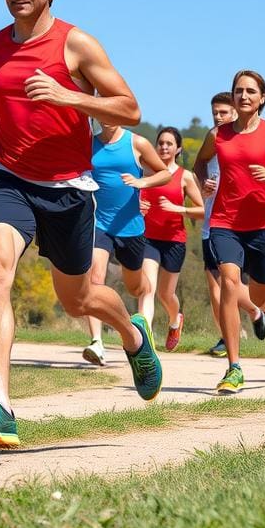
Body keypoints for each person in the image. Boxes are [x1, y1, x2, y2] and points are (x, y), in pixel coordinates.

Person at [0, 0, 163, 449]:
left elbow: (129, 107)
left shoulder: (77, 45)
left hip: (68, 189)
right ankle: (0, 405)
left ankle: (133, 333)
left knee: (77, 301)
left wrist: (68, 95)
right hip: (7, 177)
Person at [193, 70, 265, 393]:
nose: (244, 96)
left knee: (258, 295)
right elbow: (200, 163)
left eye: (250, 91)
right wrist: (204, 181)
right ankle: (234, 368)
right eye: (239, 91)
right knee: (230, 284)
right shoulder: (217, 135)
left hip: (263, 224)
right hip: (225, 222)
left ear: (262, 98)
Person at [82, 121, 171, 366]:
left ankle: (144, 301)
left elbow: (164, 173)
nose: (106, 117)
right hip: (100, 224)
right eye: (101, 111)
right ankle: (97, 342)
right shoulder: (90, 144)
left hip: (131, 228)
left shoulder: (136, 143)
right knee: (94, 278)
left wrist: (143, 182)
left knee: (135, 288)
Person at [199, 92, 265, 356]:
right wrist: (203, 185)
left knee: (250, 289)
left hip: (251, 225)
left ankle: (263, 300)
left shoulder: (251, 140)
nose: (218, 118)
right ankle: (229, 344)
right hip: (215, 224)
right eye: (214, 113)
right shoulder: (213, 140)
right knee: (220, 285)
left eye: (223, 113)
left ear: (235, 112)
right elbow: (199, 167)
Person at [139, 127, 204, 351]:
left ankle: (175, 320)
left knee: (166, 294)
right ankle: (144, 340)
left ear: (178, 149)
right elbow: (132, 197)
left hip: (174, 241)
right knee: (147, 288)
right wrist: (137, 206)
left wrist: (178, 209)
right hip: (148, 238)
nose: (164, 147)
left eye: (169, 144)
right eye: (161, 143)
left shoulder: (184, 176)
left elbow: (202, 210)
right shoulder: (146, 172)